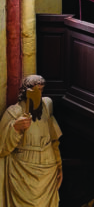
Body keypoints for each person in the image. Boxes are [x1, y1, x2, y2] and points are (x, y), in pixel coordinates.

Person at [0, 74, 62, 207]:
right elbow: (2, 148)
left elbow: (54, 140)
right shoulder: (13, 112)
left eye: (41, 90)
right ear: (26, 91)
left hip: (47, 168)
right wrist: (15, 128)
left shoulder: (46, 106)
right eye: (36, 90)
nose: (39, 94)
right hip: (22, 171)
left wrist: (59, 165)